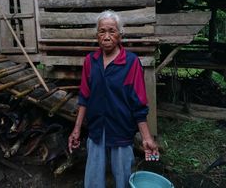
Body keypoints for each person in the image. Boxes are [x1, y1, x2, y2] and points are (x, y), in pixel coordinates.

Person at [68, 10, 159, 188]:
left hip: (121, 129)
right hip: (96, 129)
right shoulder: (91, 61)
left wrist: (146, 137)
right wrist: (77, 129)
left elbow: (138, 103)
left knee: (123, 179)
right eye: (102, 31)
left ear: (120, 35)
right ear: (97, 35)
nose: (107, 36)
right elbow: (84, 97)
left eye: (112, 31)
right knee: (93, 180)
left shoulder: (131, 62)